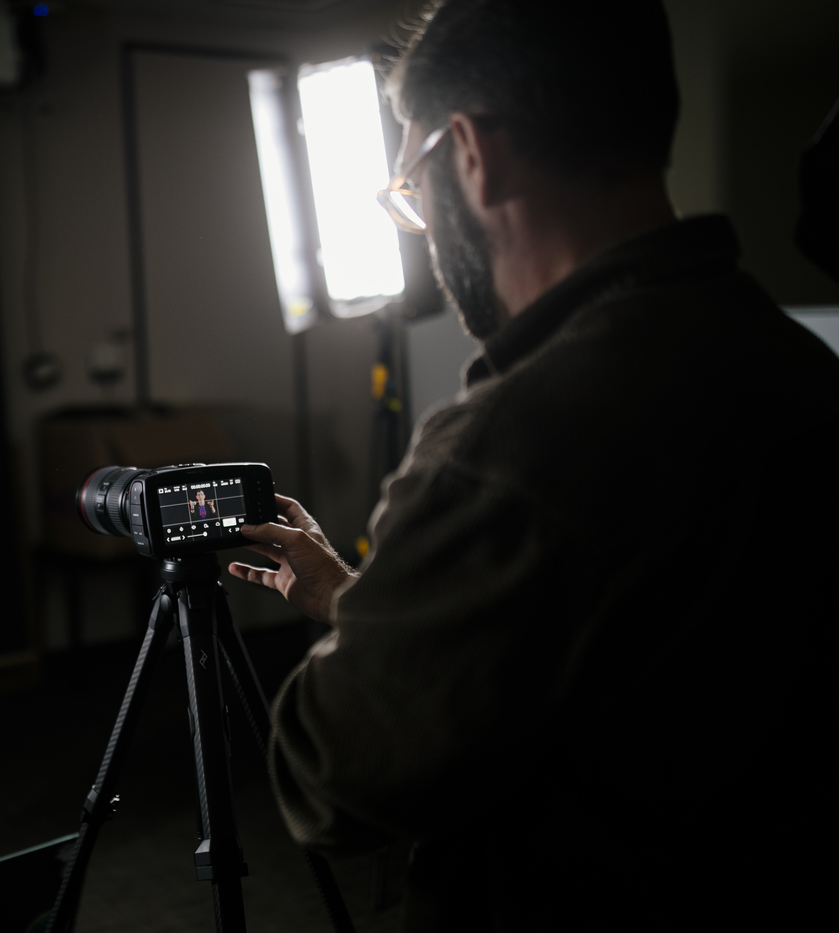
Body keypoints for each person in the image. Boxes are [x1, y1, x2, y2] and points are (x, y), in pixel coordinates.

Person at [229, 1, 838, 929]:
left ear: (472, 153)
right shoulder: (795, 366)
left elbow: (330, 780)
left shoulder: (509, 447)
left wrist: (386, 602)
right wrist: (361, 600)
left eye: (409, 187)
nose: (421, 227)